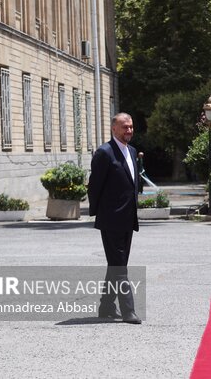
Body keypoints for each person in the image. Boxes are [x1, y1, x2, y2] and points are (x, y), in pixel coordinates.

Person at [88, 113, 141, 324]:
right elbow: (95, 186)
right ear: (114, 129)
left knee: (116, 264)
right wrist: (99, 213)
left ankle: (106, 306)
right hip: (111, 219)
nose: (129, 131)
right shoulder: (104, 153)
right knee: (120, 266)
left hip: (128, 219)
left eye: (131, 127)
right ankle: (128, 310)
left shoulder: (132, 151)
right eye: (124, 127)